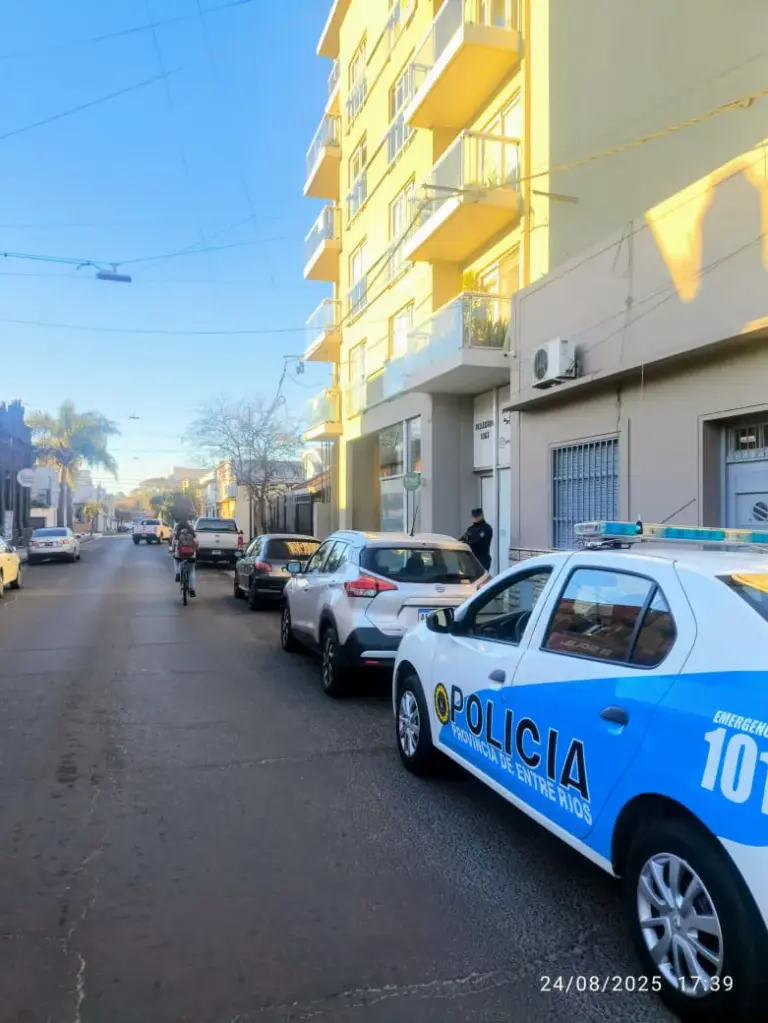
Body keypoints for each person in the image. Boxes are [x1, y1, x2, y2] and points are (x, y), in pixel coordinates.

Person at [461, 507, 493, 572]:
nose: (475, 518)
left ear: (482, 515)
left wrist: (467, 543)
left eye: (477, 516)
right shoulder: (470, 529)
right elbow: (463, 538)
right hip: (471, 560)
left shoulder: (486, 528)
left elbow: (479, 542)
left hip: (482, 560)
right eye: (474, 516)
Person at [173, 519, 197, 597]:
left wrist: (173, 549)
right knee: (191, 571)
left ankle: (177, 573)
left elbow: (174, 543)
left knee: (175, 559)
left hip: (180, 554)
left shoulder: (178, 532)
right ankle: (192, 589)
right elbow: (196, 543)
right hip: (191, 555)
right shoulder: (192, 532)